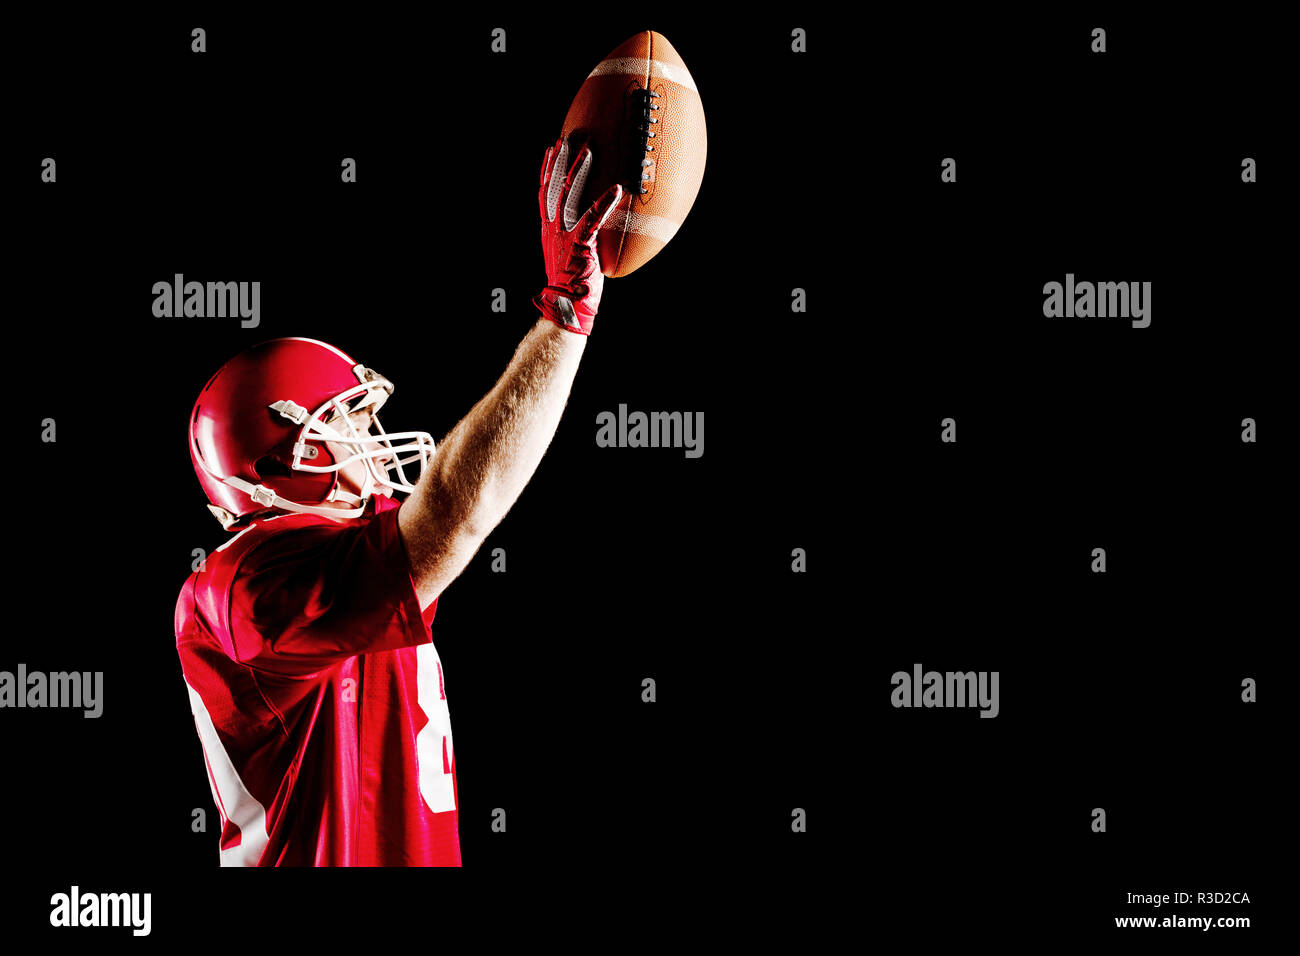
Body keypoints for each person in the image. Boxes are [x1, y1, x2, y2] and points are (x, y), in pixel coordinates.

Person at [174, 139, 622, 865]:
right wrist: (565, 313)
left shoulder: (355, 554)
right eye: (349, 423)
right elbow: (455, 511)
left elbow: (458, 506)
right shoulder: (239, 587)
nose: (375, 441)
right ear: (293, 454)